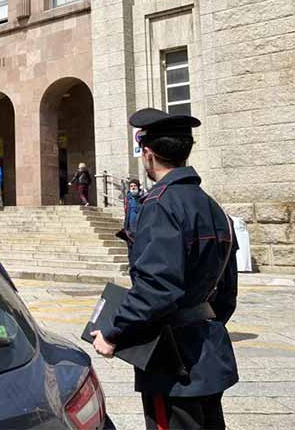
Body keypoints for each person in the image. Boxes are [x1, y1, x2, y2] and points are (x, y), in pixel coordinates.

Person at [90, 108, 239, 430]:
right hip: (208, 349)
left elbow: (157, 287)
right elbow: (227, 292)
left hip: (172, 359)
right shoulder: (213, 207)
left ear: (148, 153)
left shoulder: (160, 204)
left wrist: (115, 332)